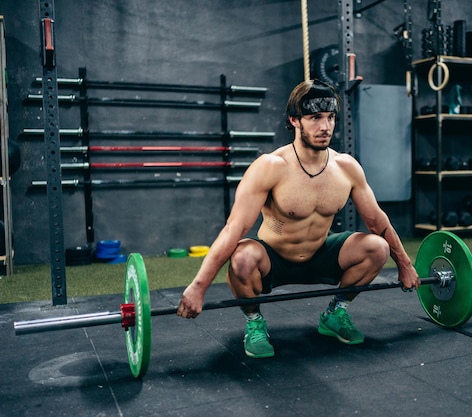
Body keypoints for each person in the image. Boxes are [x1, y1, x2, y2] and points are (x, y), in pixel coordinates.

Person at [177, 79, 419, 358]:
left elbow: (377, 221)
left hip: (320, 254)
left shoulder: (346, 168)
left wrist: (405, 265)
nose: (325, 126)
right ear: (294, 120)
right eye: (315, 118)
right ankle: (255, 323)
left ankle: (335, 313)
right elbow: (235, 228)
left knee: (377, 247)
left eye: (330, 118)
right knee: (242, 256)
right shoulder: (271, 167)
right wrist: (198, 286)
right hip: (274, 259)